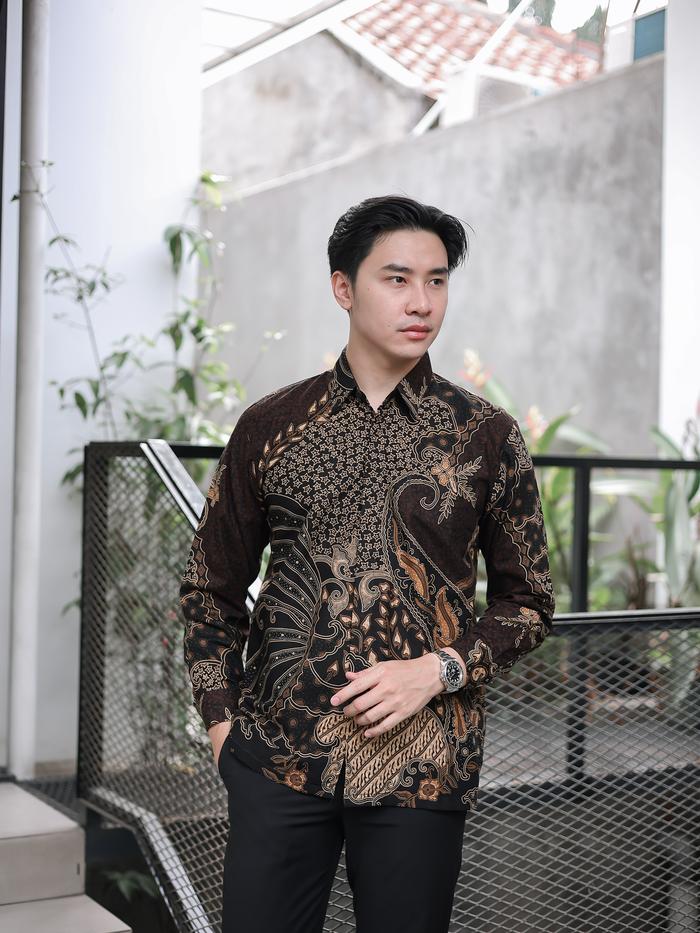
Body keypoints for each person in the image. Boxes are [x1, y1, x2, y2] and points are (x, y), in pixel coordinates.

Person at [179, 194, 556, 933]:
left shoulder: (486, 436)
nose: (422, 302)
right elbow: (209, 589)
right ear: (343, 288)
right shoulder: (271, 425)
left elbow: (529, 602)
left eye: (437, 280)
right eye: (397, 278)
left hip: (422, 766)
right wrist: (224, 730)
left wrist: (440, 670)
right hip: (276, 759)